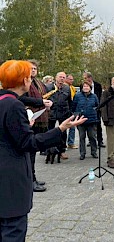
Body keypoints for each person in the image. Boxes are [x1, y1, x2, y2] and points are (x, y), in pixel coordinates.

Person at [0, 60, 86, 241]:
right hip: (11, 181)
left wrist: (23, 126)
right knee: (12, 231)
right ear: (23, 80)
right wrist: (60, 129)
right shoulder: (14, 105)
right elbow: (28, 143)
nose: (31, 80)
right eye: (29, 77)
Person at [18, 60, 53, 192]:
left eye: (35, 68)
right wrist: (41, 101)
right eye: (30, 68)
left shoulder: (37, 83)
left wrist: (47, 103)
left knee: (33, 153)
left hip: (38, 117)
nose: (33, 70)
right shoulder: (23, 83)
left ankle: (33, 178)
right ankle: (30, 181)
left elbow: (41, 96)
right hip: (29, 117)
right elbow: (22, 99)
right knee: (30, 152)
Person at [46, 72, 73, 160]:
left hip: (63, 112)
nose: (62, 79)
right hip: (51, 112)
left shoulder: (67, 88)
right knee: (50, 132)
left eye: (63, 77)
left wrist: (69, 112)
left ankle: (62, 150)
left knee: (63, 132)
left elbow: (69, 101)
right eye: (60, 77)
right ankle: (48, 150)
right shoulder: (48, 87)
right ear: (55, 77)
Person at [71, 81, 99, 160]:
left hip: (92, 120)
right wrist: (76, 116)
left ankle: (94, 152)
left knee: (92, 137)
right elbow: (73, 107)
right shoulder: (77, 96)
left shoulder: (94, 96)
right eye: (84, 86)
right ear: (82, 88)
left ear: (90, 88)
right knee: (82, 137)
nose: (86, 88)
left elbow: (97, 106)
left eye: (87, 86)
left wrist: (94, 112)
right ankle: (82, 153)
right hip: (80, 120)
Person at [83, 72, 105, 148]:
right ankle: (91, 140)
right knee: (89, 125)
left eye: (86, 78)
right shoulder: (83, 85)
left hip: (96, 107)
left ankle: (100, 140)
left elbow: (100, 96)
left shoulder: (98, 85)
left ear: (90, 78)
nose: (85, 80)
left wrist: (98, 106)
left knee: (98, 125)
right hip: (87, 108)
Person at [65, 74, 78, 149]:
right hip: (66, 109)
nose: (72, 81)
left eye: (72, 79)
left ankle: (71, 142)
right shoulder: (64, 87)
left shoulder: (73, 88)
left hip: (72, 109)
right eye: (70, 79)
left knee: (72, 126)